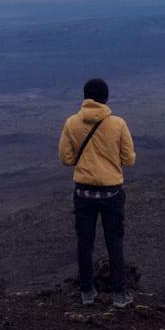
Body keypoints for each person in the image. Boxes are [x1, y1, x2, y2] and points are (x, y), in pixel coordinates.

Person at [59, 77, 137, 306]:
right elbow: (129, 159)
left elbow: (66, 158)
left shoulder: (71, 123)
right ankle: (120, 295)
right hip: (111, 193)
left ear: (85, 98)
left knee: (85, 242)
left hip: (83, 193)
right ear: (106, 98)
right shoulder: (118, 124)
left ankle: (87, 293)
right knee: (114, 242)